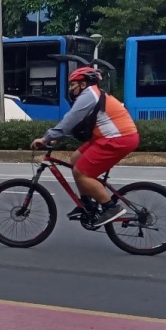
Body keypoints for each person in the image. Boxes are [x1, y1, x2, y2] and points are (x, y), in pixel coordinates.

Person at [30, 67, 140, 227]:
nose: (70, 89)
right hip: (111, 137)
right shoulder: (94, 94)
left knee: (81, 173)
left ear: (83, 84)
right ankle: (87, 204)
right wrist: (57, 137)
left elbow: (70, 119)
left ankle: (111, 207)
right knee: (75, 160)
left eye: (72, 85)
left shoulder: (89, 94)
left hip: (118, 138)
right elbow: (80, 124)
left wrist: (46, 137)